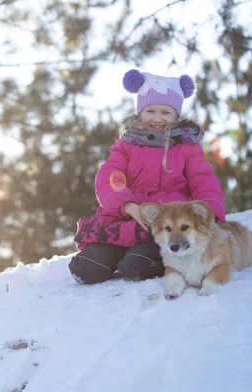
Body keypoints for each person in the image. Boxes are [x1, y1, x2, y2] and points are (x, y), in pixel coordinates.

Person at [69, 68, 226, 284]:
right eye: (151, 111)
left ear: (176, 116)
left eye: (166, 112)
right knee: (89, 268)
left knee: (137, 265)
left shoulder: (187, 147)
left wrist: (210, 215)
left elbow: (204, 181)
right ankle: (110, 255)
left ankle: (136, 258)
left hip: (164, 225)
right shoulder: (126, 145)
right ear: (140, 112)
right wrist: (127, 206)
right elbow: (109, 177)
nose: (158, 119)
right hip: (125, 219)